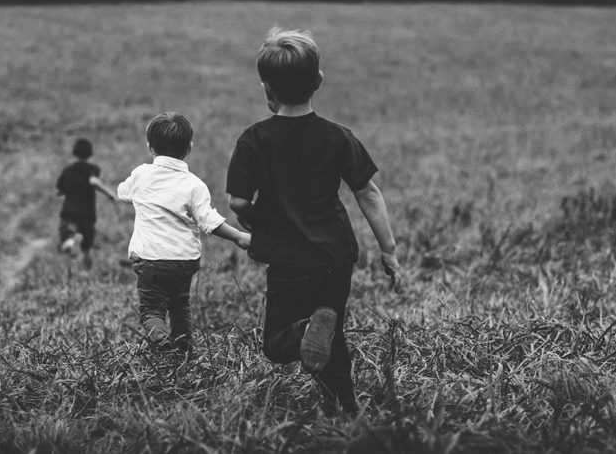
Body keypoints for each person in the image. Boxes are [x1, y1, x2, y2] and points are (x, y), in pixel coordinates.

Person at [226, 28, 402, 415]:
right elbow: (368, 193)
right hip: (335, 257)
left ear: (266, 87)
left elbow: (238, 199)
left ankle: (307, 332)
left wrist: (249, 217)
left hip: (288, 260)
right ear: (318, 82)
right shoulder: (338, 137)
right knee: (330, 334)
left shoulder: (254, 139)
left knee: (277, 342)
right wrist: (388, 250)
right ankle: (345, 408)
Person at [117, 112, 251, 356]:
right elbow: (208, 220)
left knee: (151, 312)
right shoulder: (194, 185)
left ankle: (161, 341)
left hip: (150, 260)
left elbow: (123, 192)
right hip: (184, 261)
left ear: (150, 147)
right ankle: (185, 352)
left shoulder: (141, 175)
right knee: (180, 305)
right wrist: (239, 236)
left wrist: (127, 190)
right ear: (189, 147)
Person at [56, 137, 117, 268]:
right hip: (87, 215)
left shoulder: (67, 170)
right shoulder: (92, 168)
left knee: (66, 237)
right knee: (87, 248)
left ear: (75, 152)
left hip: (69, 213)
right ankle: (86, 271)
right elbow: (94, 181)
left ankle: (71, 241)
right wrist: (110, 194)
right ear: (90, 153)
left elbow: (60, 188)